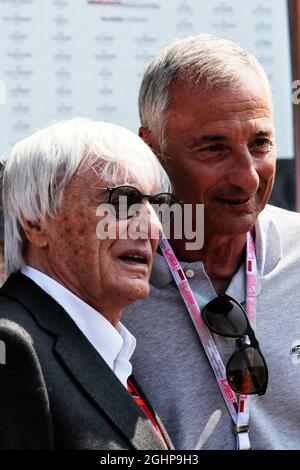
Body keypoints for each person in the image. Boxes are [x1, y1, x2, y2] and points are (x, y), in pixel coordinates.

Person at [123, 34, 300, 450]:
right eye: (214, 149)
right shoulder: (108, 281)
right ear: (151, 150)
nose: (248, 177)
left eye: (260, 144)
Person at [0, 117, 175, 450]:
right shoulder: (13, 346)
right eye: (123, 202)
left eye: (158, 207)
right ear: (36, 221)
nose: (153, 228)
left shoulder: (103, 346)